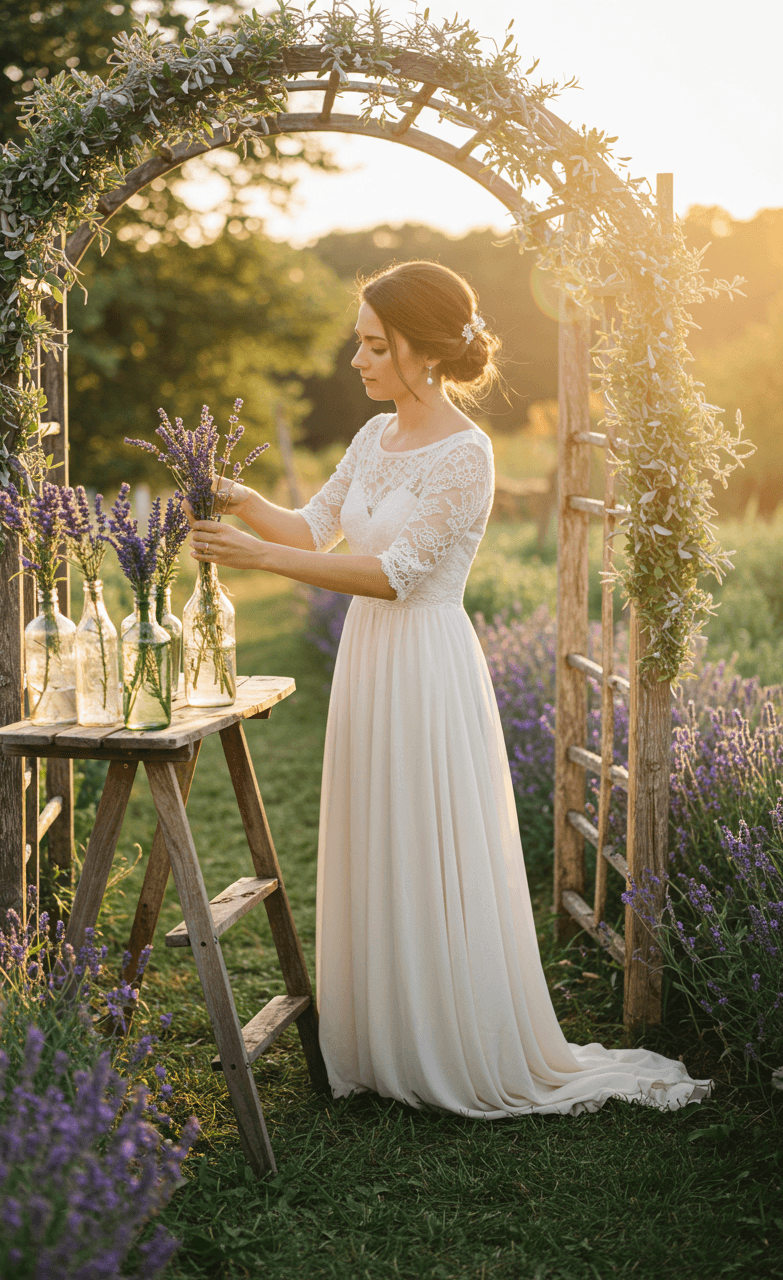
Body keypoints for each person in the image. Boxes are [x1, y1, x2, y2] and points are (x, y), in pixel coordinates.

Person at [188, 259, 710, 1118]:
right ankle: (380, 1034)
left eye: (371, 344)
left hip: (425, 662)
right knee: (376, 829)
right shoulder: (370, 438)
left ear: (423, 352)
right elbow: (313, 526)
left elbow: (395, 575)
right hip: (368, 662)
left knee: (426, 833)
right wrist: (243, 501)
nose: (355, 360)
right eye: (358, 343)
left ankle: (445, 1035)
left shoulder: (468, 454)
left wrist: (265, 563)